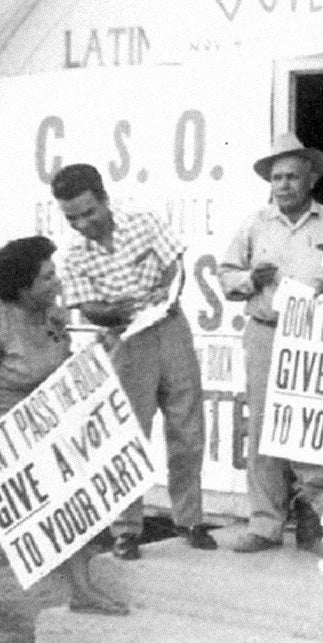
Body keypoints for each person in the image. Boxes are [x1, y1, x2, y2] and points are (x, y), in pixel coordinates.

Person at [52, 163, 215, 560]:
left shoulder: (143, 222)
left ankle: (190, 519)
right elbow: (86, 307)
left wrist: (167, 292)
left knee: (187, 426)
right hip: (125, 342)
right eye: (72, 217)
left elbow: (175, 266)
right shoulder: (72, 255)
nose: (83, 224)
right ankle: (125, 530)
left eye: (89, 212)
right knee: (126, 435)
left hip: (171, 329)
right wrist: (112, 312)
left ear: (105, 199)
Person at [218, 133, 323, 556]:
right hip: (266, 332)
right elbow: (226, 276)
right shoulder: (254, 224)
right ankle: (264, 525)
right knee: (266, 429)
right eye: (276, 178)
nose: (283, 185)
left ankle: (311, 526)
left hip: (316, 338)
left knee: (311, 428)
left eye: (291, 177)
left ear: (311, 181)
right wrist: (251, 280)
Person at [0, 236, 127, 615]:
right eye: (46, 278)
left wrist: (98, 355)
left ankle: (83, 592)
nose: (57, 282)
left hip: (47, 425)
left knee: (72, 500)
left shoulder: (53, 316)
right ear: (22, 289)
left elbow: (62, 371)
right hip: (7, 432)